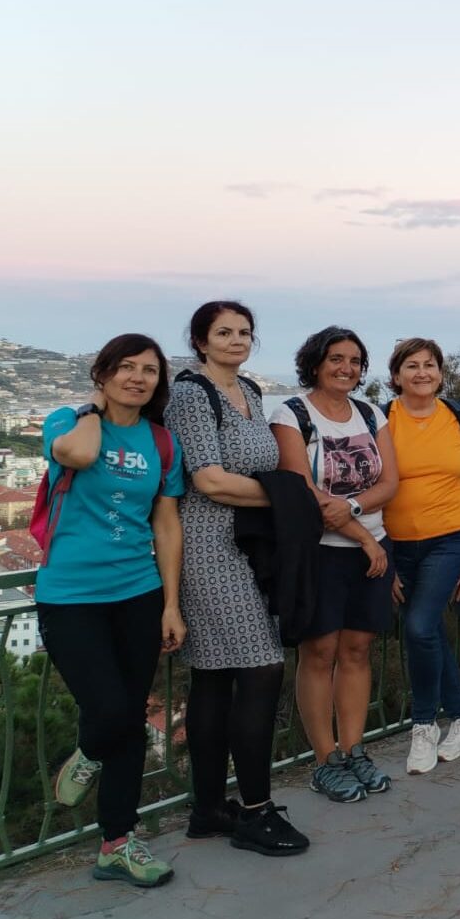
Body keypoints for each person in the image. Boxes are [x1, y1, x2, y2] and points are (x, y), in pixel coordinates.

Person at [40, 334, 186, 886]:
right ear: (101, 373)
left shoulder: (162, 442)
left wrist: (171, 603)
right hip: (71, 595)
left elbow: (165, 524)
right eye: (125, 367)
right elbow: (78, 457)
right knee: (111, 711)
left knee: (128, 720)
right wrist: (92, 409)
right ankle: (88, 751)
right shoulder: (67, 421)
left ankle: (117, 843)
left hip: (138, 592)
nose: (137, 378)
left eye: (149, 370)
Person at [167, 302, 309, 855]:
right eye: (223, 332)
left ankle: (208, 810)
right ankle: (255, 811)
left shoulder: (248, 390)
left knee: (214, 677)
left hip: (247, 544)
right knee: (261, 667)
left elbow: (251, 469)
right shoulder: (190, 394)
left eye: (244, 332)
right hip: (208, 546)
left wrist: (275, 496)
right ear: (201, 341)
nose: (236, 340)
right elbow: (209, 480)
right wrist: (288, 498)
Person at [271, 327, 398, 801]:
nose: (346, 368)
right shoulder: (291, 415)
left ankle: (353, 749)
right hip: (321, 552)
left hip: (372, 548)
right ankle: (325, 759)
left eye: (355, 361)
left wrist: (356, 510)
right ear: (315, 363)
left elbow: (390, 482)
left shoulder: (370, 413)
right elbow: (303, 492)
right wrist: (365, 538)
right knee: (319, 652)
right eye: (336, 359)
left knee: (357, 650)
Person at [383, 338, 460, 775]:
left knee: (420, 625)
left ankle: (423, 724)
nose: (421, 372)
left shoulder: (457, 416)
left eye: (429, 365)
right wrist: (383, 556)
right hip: (398, 542)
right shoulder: (381, 419)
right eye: (412, 365)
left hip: (451, 536)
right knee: (430, 632)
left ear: (441, 373)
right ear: (396, 375)